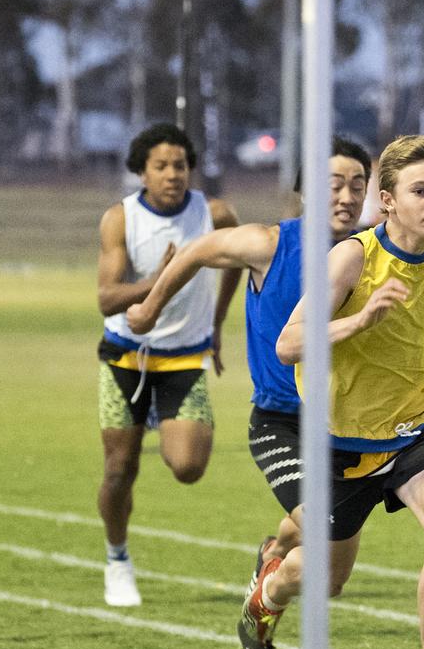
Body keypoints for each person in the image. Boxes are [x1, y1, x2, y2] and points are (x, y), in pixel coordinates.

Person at [251, 134, 424, 649]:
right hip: (343, 443)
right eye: (420, 190)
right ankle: (266, 596)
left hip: (420, 427)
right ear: (388, 200)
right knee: (324, 580)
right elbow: (288, 344)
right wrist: (360, 318)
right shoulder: (352, 259)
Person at [126, 137, 373, 592]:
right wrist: (150, 308)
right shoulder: (269, 245)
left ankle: (275, 552)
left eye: (358, 184)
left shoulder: (374, 250)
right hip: (282, 420)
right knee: (323, 530)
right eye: (334, 183)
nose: (347, 196)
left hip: (347, 423)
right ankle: (268, 597)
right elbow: (197, 251)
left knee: (331, 578)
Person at [96, 122, 240, 607]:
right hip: (126, 359)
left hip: (184, 360)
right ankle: (117, 560)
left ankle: (167, 419)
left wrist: (217, 322)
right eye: (161, 166)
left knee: (188, 466)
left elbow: (238, 260)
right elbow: (107, 297)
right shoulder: (121, 218)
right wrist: (160, 279)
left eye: (180, 165)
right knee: (120, 470)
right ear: (142, 171)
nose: (172, 174)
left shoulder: (214, 213)